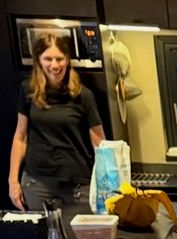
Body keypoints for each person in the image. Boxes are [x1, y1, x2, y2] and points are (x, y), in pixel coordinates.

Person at [8, 32, 105, 213]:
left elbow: (100, 143)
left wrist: (109, 184)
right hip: (37, 183)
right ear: (38, 60)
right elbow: (20, 137)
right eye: (48, 59)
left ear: (67, 60)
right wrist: (13, 180)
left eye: (59, 59)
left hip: (78, 185)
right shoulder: (27, 90)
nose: (54, 65)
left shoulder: (83, 96)